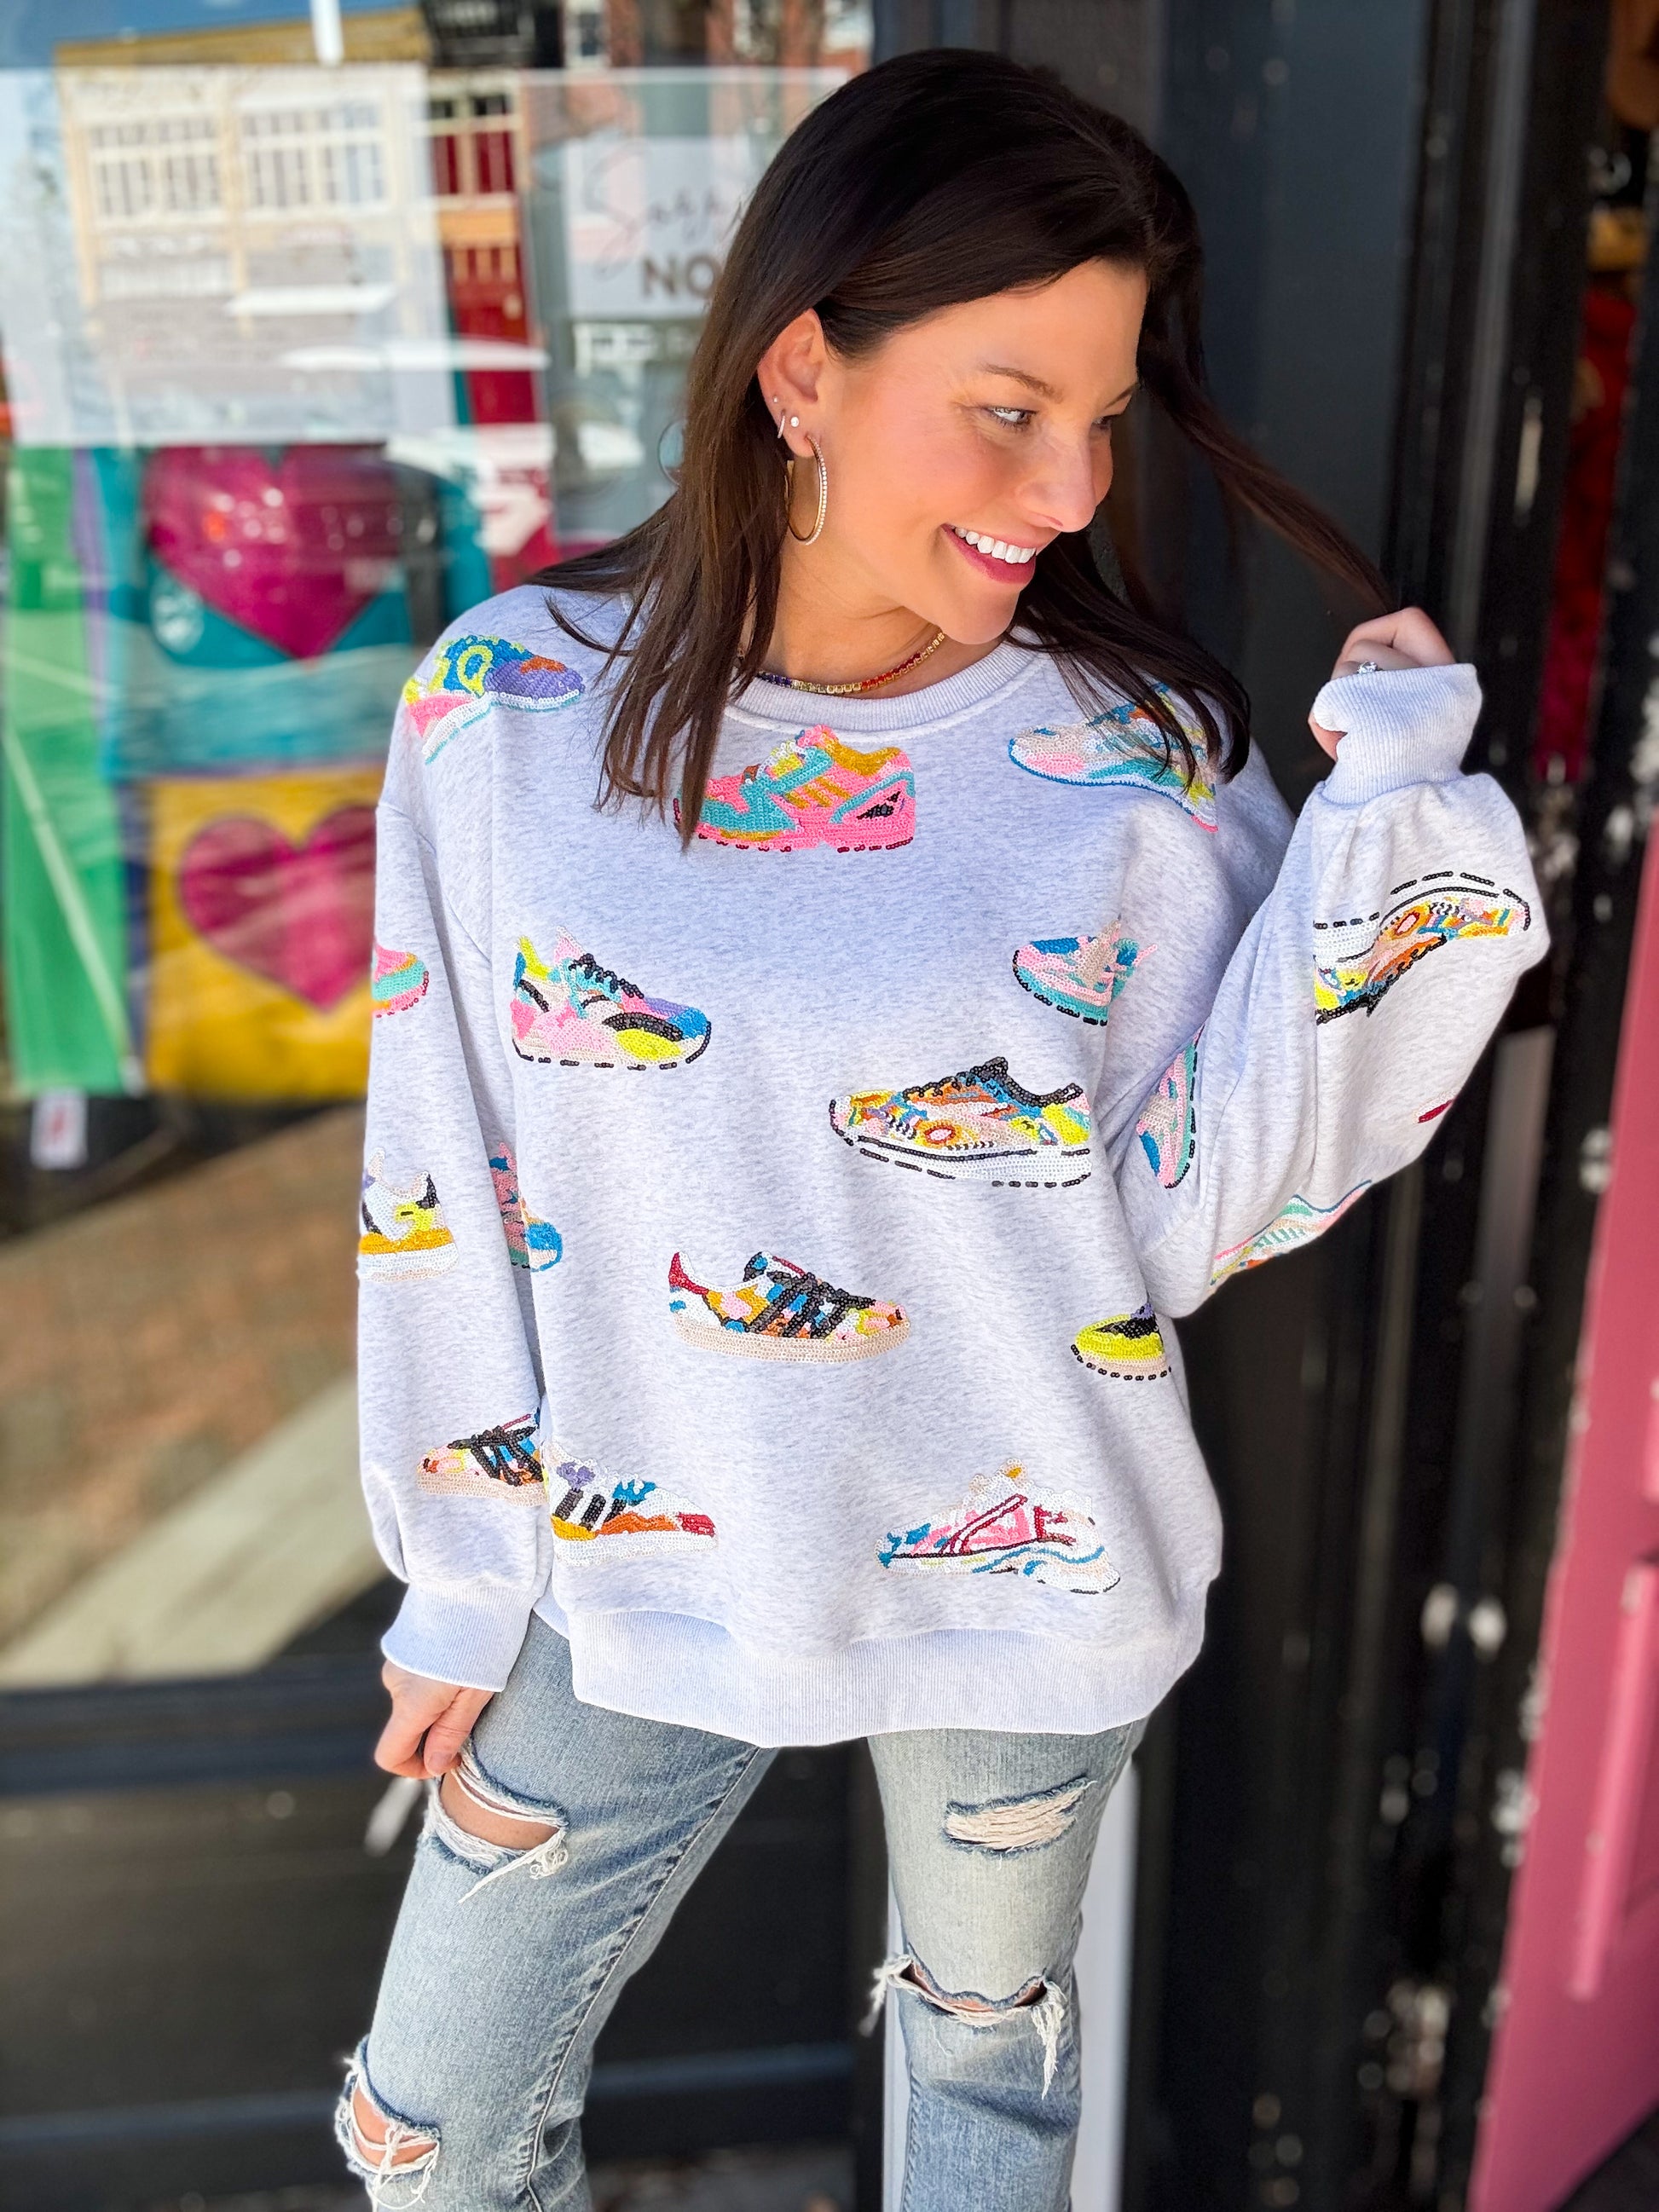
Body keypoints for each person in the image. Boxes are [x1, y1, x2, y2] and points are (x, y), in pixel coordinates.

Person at [337, 49, 1546, 2212]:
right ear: (803, 372)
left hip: (1027, 1560)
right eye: (1006, 407)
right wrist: (456, 1568)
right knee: (428, 2132)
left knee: (983, 2102)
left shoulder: (1132, 758)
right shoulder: (508, 708)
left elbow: (1190, 1205)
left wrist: (1391, 826)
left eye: (1102, 417)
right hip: (635, 1548)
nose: (1067, 487)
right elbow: (441, 1166)